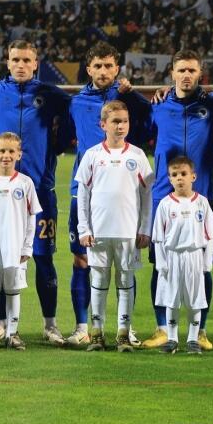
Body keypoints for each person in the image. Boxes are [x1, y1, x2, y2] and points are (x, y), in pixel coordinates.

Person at [0, 40, 72, 346]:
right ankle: (0, 324)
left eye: (27, 59)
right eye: (16, 59)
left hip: (40, 187)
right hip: (1, 191)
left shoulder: (50, 94)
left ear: (36, 63)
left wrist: (56, 146)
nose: (21, 64)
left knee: (42, 257)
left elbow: (70, 120)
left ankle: (50, 324)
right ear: (7, 62)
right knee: (0, 257)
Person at [138, 50, 213, 350]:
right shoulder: (157, 107)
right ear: (172, 73)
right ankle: (162, 329)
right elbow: (138, 134)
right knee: (161, 266)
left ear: (200, 74)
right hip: (163, 201)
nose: (186, 75)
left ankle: (200, 331)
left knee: (204, 267)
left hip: (202, 200)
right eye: (181, 70)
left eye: (192, 71)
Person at [66, 43, 152, 346]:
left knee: (126, 271)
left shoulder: (126, 99)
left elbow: (149, 116)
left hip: (124, 200)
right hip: (85, 192)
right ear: (89, 69)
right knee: (81, 260)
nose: (104, 71)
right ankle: (82, 326)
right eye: (98, 66)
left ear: (117, 69)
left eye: (109, 66)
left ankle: (125, 329)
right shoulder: (75, 102)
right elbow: (63, 135)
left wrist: (132, 95)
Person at [0, 132, 42, 352]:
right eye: (2, 151)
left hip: (16, 247)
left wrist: (27, 246)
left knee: (13, 289)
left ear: (19, 155)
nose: (6, 155)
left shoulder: (25, 183)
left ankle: (12, 333)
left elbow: (32, 218)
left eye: (11, 151)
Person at [151, 156, 213, 355]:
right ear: (170, 179)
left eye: (183, 174)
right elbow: (158, 238)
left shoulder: (202, 203)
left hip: (194, 257)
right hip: (172, 257)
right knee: (171, 299)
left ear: (193, 176)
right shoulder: (165, 204)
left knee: (195, 299)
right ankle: (172, 338)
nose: (179, 178)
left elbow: (210, 235)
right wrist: (161, 263)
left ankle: (192, 339)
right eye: (175, 175)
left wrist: (207, 260)